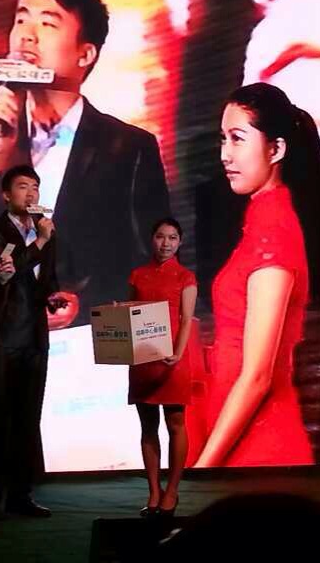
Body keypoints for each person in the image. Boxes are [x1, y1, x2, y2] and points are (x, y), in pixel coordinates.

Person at [0, 0, 169, 328]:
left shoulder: (129, 148)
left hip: (88, 346)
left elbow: (153, 267)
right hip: (0, 345)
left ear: (85, 54)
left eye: (48, 23)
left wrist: (85, 309)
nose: (27, 34)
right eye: (21, 19)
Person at [194, 82, 320, 467]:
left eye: (238, 139)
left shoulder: (274, 231)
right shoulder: (260, 221)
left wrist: (203, 470)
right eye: (222, 139)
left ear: (276, 149)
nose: (225, 154)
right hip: (234, 434)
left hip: (260, 449)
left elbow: (258, 376)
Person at [0, 165, 66, 518]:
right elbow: (7, 274)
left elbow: (47, 278)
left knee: (29, 418)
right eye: (23, 187)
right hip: (5, 335)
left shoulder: (46, 229)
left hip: (35, 336)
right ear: (6, 194)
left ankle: (21, 495)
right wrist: (39, 242)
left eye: (35, 187)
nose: (31, 194)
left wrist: (53, 296)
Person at [127, 217, 196, 517]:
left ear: (180, 242)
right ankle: (154, 491)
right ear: (151, 239)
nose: (165, 243)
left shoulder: (186, 277)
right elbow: (130, 314)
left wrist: (177, 354)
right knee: (147, 427)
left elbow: (186, 319)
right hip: (143, 358)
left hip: (173, 360)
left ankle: (172, 490)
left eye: (172, 238)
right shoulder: (137, 275)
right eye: (160, 236)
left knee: (175, 424)